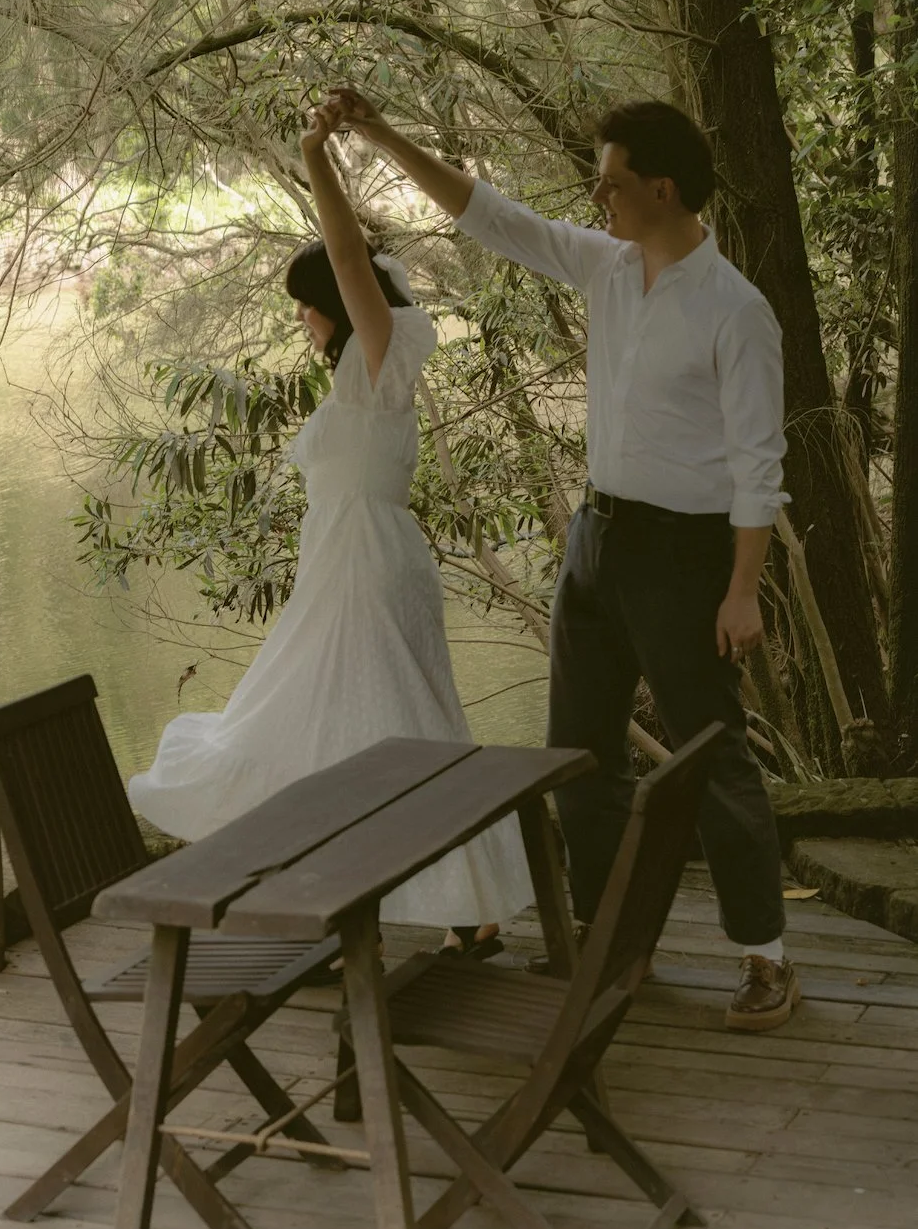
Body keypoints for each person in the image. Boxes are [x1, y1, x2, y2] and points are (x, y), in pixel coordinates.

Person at [325, 87, 798, 1032]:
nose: (600, 199)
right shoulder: (610, 267)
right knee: (577, 753)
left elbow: (759, 468)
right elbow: (488, 216)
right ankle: (611, 937)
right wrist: (381, 133)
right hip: (599, 539)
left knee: (711, 755)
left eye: (614, 183)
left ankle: (765, 957)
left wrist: (743, 590)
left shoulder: (736, 313)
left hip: (686, 552)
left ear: (664, 189)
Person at [130, 99, 534, 963]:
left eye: (306, 303)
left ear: (341, 304)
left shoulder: (381, 360)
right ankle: (383, 895)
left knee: (400, 726)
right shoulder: (358, 374)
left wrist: (318, 155)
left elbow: (347, 253)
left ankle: (459, 902)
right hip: (344, 565)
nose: (301, 317)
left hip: (368, 568)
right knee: (344, 723)